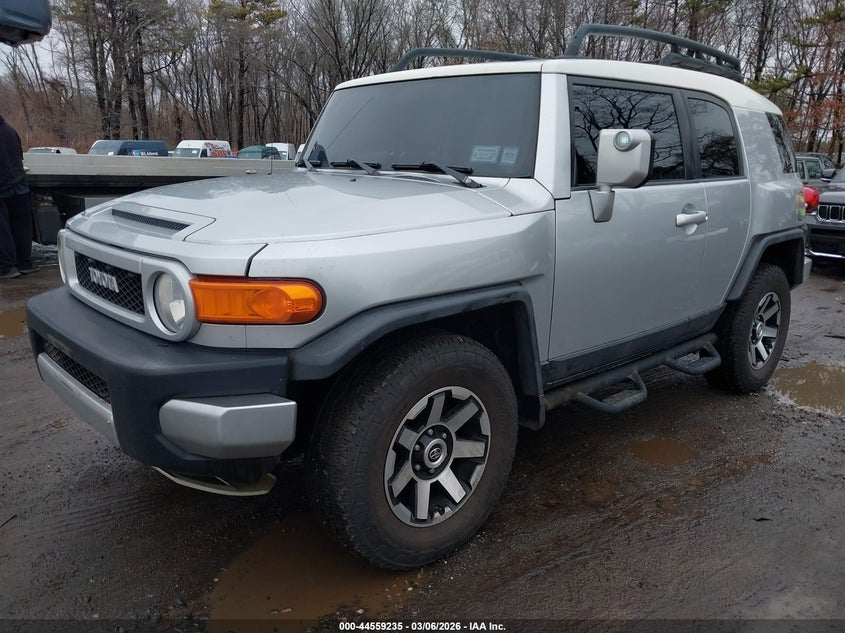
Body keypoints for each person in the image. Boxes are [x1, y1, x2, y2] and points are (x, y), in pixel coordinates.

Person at [0, 113, 38, 279]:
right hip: (19, 185)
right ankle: (24, 263)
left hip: (3, 186)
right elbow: (18, 156)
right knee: (21, 228)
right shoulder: (10, 130)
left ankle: (6, 267)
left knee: (3, 230)